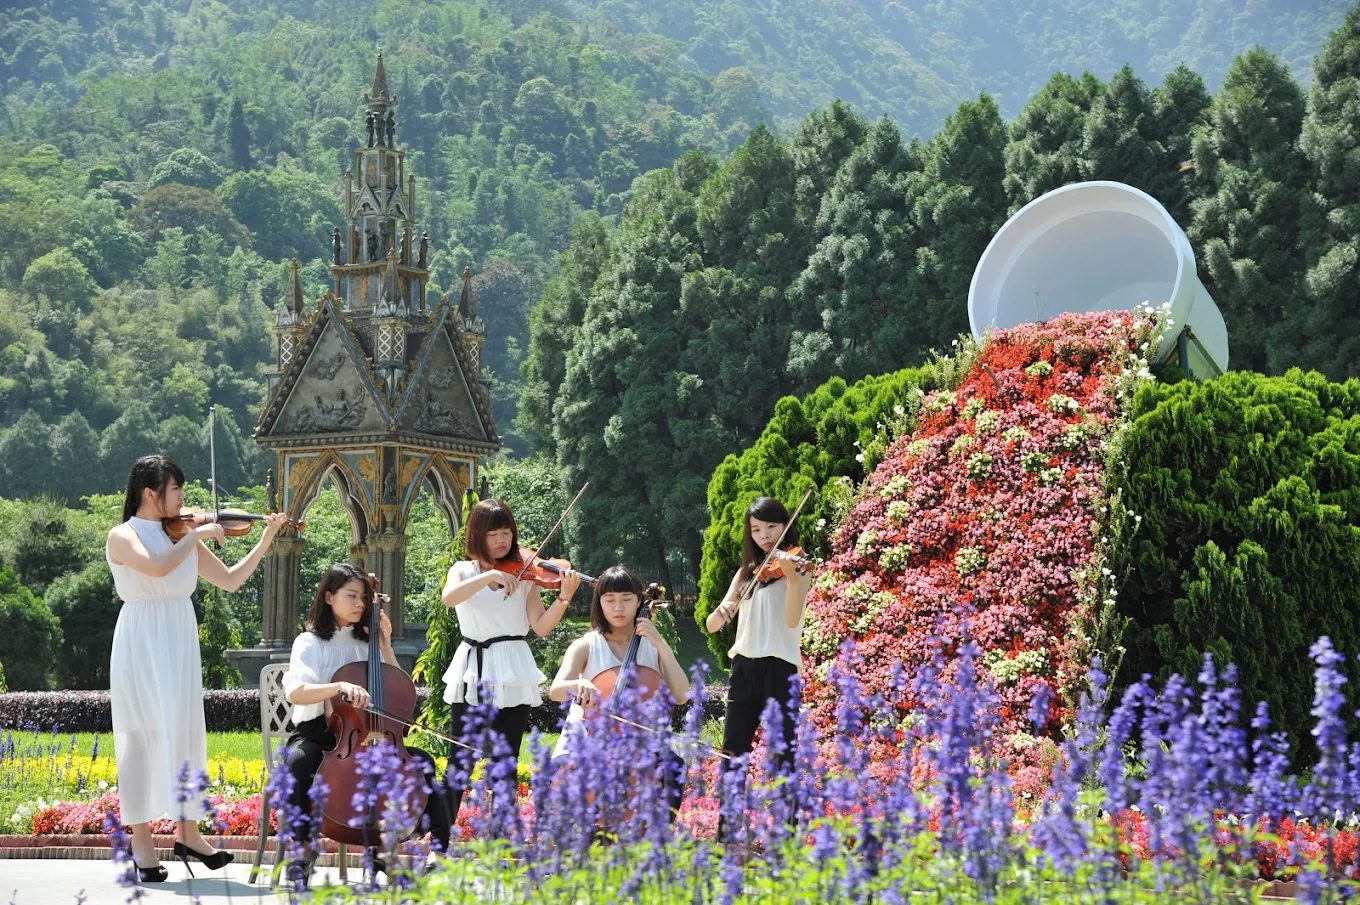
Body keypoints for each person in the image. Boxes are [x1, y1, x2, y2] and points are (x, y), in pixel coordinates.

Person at [106, 454, 288, 882]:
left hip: (178, 636)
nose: (184, 499)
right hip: (142, 638)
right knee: (142, 736)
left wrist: (266, 539)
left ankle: (188, 832)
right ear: (151, 494)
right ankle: (142, 844)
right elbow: (156, 566)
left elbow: (230, 579)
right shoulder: (123, 535)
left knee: (186, 731)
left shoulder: (181, 533)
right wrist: (198, 534)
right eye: (176, 490)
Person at [280, 563, 453, 884]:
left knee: (422, 763)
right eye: (352, 596)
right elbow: (296, 691)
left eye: (364, 597)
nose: (360, 603)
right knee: (299, 760)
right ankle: (303, 849)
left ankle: (434, 851)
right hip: (321, 734)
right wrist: (338, 688)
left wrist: (385, 643)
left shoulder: (366, 642)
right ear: (329, 597)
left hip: (370, 734)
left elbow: (399, 690)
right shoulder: (309, 642)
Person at [439, 498, 581, 826]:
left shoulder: (526, 573)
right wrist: (492, 578)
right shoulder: (463, 571)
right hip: (473, 667)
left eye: (506, 532)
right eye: (493, 534)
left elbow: (542, 627)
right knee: (459, 760)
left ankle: (503, 842)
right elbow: (450, 597)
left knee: (505, 761)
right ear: (478, 536)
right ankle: (439, 843)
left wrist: (564, 597)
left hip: (512, 666)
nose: (502, 540)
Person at [704, 496, 811, 839]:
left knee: (783, 752)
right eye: (757, 529)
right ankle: (726, 831)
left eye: (771, 527)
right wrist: (722, 612)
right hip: (744, 666)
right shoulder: (747, 571)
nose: (765, 536)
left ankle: (786, 835)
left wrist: (793, 580)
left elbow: (793, 621)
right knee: (733, 749)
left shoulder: (799, 566)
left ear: (785, 527)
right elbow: (711, 625)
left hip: (781, 668)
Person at [547, 565, 690, 816]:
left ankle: (655, 843)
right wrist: (577, 684)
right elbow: (556, 691)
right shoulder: (586, 645)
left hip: (644, 744)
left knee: (672, 768)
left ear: (639, 602)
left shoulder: (652, 646)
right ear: (599, 603)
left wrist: (660, 643)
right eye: (610, 600)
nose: (618, 607)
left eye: (626, 599)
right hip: (592, 741)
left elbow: (681, 694)